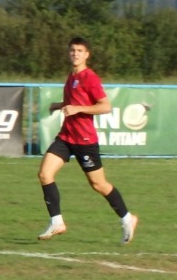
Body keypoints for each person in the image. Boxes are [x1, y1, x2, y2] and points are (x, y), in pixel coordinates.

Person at [36, 37, 138, 244]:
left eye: (80, 50)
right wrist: (59, 105)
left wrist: (78, 109)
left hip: (84, 140)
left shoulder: (90, 77)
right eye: (72, 50)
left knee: (98, 184)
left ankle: (128, 218)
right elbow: (74, 102)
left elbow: (105, 106)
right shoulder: (71, 76)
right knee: (45, 174)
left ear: (87, 55)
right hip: (66, 137)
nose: (75, 53)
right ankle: (57, 222)